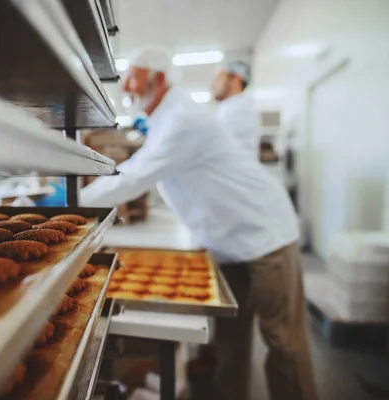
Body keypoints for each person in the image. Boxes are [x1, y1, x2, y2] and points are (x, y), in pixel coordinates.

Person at [81, 48, 317, 400]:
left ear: (158, 79)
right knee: (230, 347)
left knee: (284, 345)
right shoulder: (165, 119)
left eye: (134, 75)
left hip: (266, 237)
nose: (126, 84)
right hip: (227, 242)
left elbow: (135, 176)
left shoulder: (182, 118)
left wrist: (70, 203)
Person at [211, 60, 261, 159]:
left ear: (236, 79)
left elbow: (211, 143)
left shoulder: (239, 109)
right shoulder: (230, 107)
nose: (213, 84)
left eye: (219, 78)